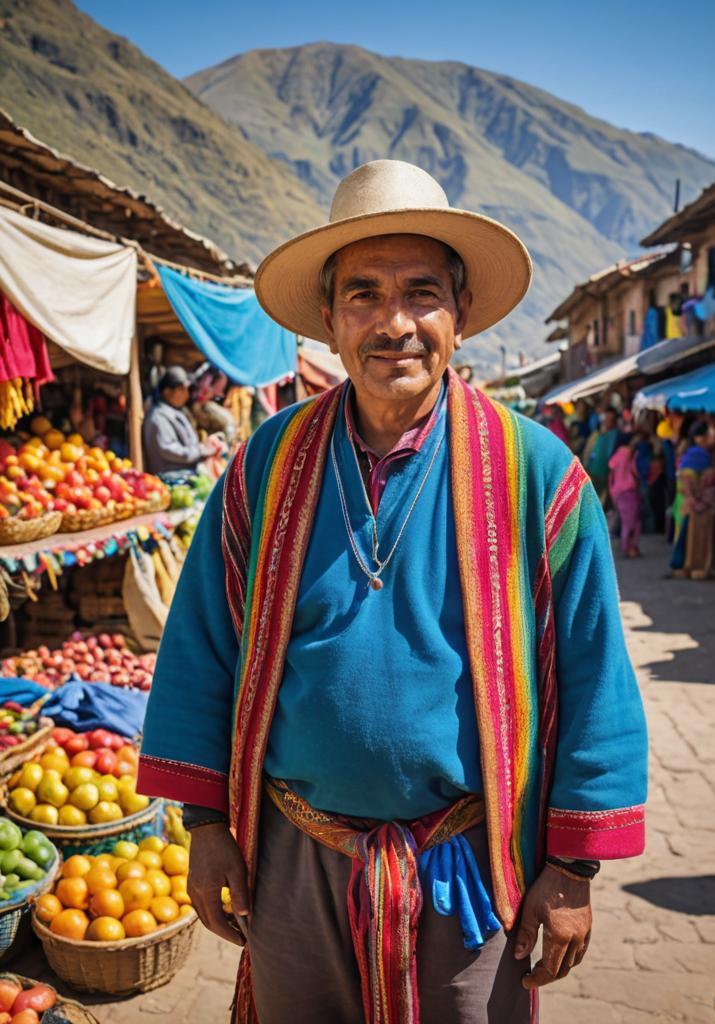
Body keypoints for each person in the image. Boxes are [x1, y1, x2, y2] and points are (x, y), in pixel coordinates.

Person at [138, 160, 647, 1024]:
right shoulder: (268, 465)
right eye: (365, 295)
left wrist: (572, 868)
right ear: (331, 320)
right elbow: (202, 646)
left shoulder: (537, 474)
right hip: (293, 859)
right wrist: (204, 826)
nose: (395, 323)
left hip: (471, 868)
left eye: (421, 292)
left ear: (460, 315)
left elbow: (594, 672)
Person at [669, 420, 715, 580]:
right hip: (694, 502)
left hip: (684, 500)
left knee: (683, 533)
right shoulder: (700, 455)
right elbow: (703, 483)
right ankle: (692, 566)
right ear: (700, 437)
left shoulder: (689, 451)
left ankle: (681, 565)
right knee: (692, 536)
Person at [142, 366, 211, 475]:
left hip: (186, 473)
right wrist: (199, 452)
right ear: (167, 392)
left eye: (187, 389)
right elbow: (168, 449)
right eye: (181, 389)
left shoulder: (177, 411)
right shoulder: (159, 417)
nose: (186, 394)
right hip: (172, 477)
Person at [609, 438, 642, 557]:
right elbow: (636, 472)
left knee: (626, 522)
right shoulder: (632, 456)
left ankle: (628, 547)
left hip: (618, 492)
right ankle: (629, 548)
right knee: (634, 522)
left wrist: (612, 492)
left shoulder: (617, 455)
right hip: (629, 491)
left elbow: (611, 475)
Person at [583, 407, 620, 505]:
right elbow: (587, 452)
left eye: (610, 419)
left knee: (600, 503)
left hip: (606, 475)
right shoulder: (596, 434)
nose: (607, 421)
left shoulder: (616, 434)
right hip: (592, 472)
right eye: (606, 418)